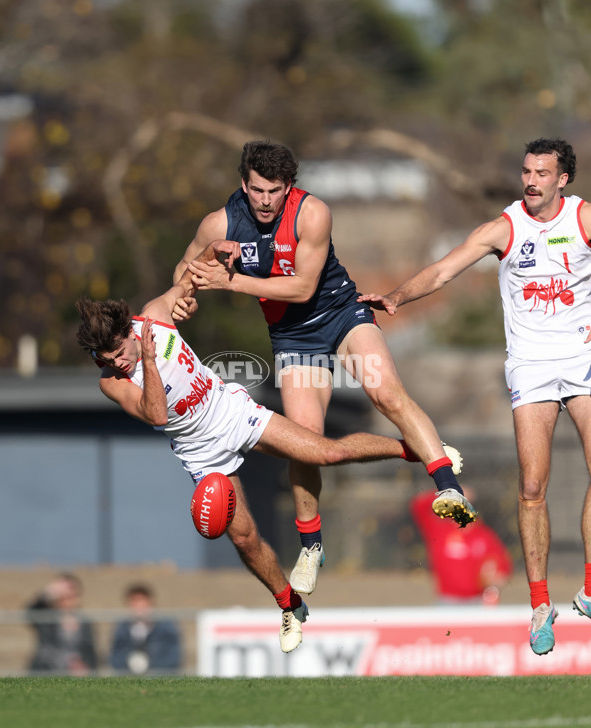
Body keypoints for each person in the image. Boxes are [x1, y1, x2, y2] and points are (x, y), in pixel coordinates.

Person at [75, 271, 461, 653]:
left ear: (129, 331)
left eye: (117, 353)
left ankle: (417, 450)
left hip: (232, 412)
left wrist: (214, 257)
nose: (113, 363)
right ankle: (289, 605)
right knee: (243, 538)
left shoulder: (157, 315)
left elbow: (190, 279)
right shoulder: (112, 381)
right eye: (101, 358)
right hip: (200, 453)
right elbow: (157, 415)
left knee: (326, 452)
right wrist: (146, 361)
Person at [172, 140, 475, 598]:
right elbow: (183, 271)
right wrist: (194, 277)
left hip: (340, 315)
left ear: (289, 187)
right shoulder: (220, 221)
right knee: (306, 442)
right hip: (293, 339)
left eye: (275, 190)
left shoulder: (313, 214)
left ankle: (448, 488)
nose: (266, 200)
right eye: (257, 190)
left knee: (386, 393)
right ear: (243, 184)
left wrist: (229, 280)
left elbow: (301, 287)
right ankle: (311, 545)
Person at [359, 137, 591, 655]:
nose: (530, 180)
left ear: (563, 179)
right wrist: (397, 295)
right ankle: (539, 607)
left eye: (542, 173)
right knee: (533, 485)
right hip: (530, 367)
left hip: (583, 361)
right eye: (526, 170)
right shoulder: (504, 228)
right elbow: (443, 269)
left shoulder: (582, 221)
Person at [411, 488, 512, 605]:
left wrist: (496, 580)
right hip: (447, 601)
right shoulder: (439, 531)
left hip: (477, 602)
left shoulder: (484, 536)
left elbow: (503, 566)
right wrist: (448, 492)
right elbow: (418, 505)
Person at [25, 573, 98, 675]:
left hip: (76, 675)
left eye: (71, 596)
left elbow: (91, 652)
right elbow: (30, 614)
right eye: (63, 597)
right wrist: (48, 592)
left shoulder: (85, 622)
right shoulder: (47, 618)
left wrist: (85, 667)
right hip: (47, 671)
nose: (67, 601)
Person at [110, 583, 182, 675]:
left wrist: (152, 671)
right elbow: (115, 657)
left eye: (141, 601)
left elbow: (173, 658)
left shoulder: (166, 627)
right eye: (134, 601)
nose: (138, 606)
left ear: (150, 602)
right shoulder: (121, 629)